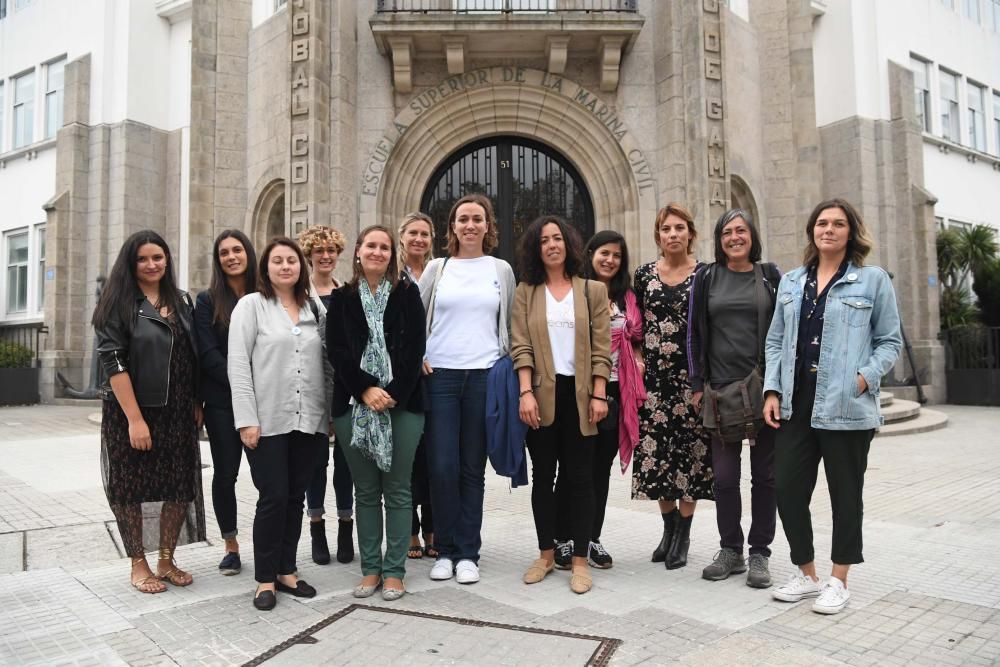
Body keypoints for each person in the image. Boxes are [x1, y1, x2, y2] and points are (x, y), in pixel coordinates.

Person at [764, 198, 901, 615]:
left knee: (846, 496)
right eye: (821, 223)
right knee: (786, 489)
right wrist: (772, 389)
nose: (829, 229)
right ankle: (807, 574)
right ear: (811, 231)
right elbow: (774, 341)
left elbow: (889, 342)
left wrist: (864, 377)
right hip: (795, 403)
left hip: (846, 407)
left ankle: (838, 580)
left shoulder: (871, 280)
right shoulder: (791, 282)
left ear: (851, 232)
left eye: (838, 224)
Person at [93, 230, 206, 594]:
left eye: (158, 257)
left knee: (177, 484)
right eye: (143, 258)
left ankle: (167, 558)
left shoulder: (182, 300)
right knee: (130, 487)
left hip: (178, 412)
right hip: (134, 411)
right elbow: (114, 363)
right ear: (131, 262)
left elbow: (192, 356)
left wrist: (196, 402)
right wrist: (135, 419)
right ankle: (138, 563)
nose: (152, 264)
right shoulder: (118, 304)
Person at [228, 237, 333, 611]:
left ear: (300, 267)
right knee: (272, 498)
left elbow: (328, 358)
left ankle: (287, 570)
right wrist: (246, 420)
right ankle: (264, 579)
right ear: (266, 267)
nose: (286, 266)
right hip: (267, 421)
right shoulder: (251, 306)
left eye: (292, 260)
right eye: (278, 260)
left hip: (310, 420)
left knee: (294, 498)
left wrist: (329, 416)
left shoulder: (313, 306)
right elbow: (238, 365)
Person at [418, 193, 516, 585]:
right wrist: (416, 357)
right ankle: (444, 549)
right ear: (453, 227)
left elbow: (509, 320)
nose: (470, 225)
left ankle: (468, 553)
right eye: (463, 219)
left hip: (483, 376)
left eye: (478, 219)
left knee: (472, 469)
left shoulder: (501, 269)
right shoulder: (436, 269)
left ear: (488, 226)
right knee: (442, 466)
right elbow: (414, 315)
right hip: (440, 375)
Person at [327, 225, 427, 601]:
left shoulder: (407, 294)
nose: (378, 252)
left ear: (392, 255)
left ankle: (395, 572)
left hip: (402, 406)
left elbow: (415, 349)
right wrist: (365, 388)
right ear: (358, 251)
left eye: (385, 247)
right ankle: (371, 569)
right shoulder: (342, 298)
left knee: (398, 491)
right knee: (366, 492)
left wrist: (392, 393)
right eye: (371, 245)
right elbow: (336, 351)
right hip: (353, 404)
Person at [513, 215, 611, 595]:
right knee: (543, 477)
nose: (551, 245)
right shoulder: (527, 291)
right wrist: (525, 393)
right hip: (541, 396)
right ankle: (546, 553)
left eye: (557, 238)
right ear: (536, 250)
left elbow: (603, 349)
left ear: (568, 245)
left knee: (582, 479)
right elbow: (520, 345)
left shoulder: (592, 291)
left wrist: (600, 394)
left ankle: (581, 561)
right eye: (543, 240)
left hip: (583, 396)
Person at [688, 209, 781, 588]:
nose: (734, 237)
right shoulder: (706, 277)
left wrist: (778, 385)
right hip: (719, 391)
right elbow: (693, 333)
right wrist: (696, 384)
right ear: (719, 238)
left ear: (751, 235)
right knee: (725, 478)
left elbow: (783, 330)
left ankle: (760, 553)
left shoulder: (770, 275)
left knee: (766, 477)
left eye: (741, 230)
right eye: (727, 232)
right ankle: (731, 549)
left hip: (763, 390)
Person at [552, 230, 645, 570]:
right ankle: (563, 539)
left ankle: (591, 537)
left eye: (616, 255)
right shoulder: (574, 292)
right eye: (604, 253)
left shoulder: (628, 298)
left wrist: (636, 354)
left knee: (599, 471)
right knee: (574, 467)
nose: (610, 260)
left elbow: (635, 336)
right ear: (590, 254)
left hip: (618, 391)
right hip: (580, 391)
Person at [633, 203, 714, 570]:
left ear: (691, 233)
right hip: (653, 384)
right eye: (666, 229)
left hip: (690, 382)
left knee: (691, 458)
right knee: (656, 459)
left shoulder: (706, 275)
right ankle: (668, 531)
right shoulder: (644, 275)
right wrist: (635, 356)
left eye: (680, 228)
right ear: (658, 235)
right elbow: (634, 324)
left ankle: (683, 535)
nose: (673, 234)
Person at [195, 229, 257, 577]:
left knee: (268, 476)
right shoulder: (207, 301)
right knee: (226, 474)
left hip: (263, 402)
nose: (231, 256)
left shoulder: (264, 295)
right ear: (218, 260)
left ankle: (267, 539)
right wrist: (242, 383)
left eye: (237, 250)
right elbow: (206, 352)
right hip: (222, 401)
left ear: (248, 253)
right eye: (224, 253)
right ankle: (231, 546)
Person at [298, 225, 355, 566]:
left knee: (346, 464)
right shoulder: (300, 295)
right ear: (310, 255)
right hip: (311, 390)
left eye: (332, 250)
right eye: (319, 251)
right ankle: (316, 526)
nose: (326, 256)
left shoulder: (347, 293)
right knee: (316, 464)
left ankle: (346, 527)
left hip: (344, 388)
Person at [397, 212, 438, 560]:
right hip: (405, 377)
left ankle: (432, 528)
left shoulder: (442, 272)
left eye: (425, 234)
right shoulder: (393, 278)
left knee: (431, 459)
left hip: (437, 373)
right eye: (413, 233)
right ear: (402, 237)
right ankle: (411, 531)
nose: (419, 239)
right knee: (407, 460)